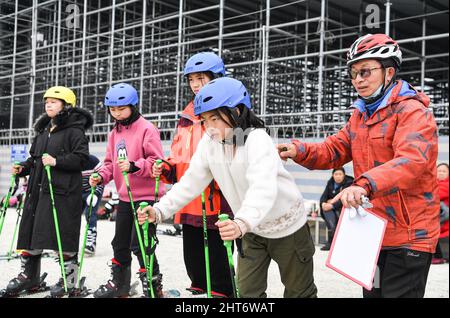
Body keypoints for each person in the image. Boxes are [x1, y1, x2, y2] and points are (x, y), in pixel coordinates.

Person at [278, 33, 440, 298]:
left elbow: (411, 161)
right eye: (353, 73)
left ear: (389, 72)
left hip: (409, 236)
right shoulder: (361, 115)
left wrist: (364, 184)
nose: (358, 80)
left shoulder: (412, 111)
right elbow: (333, 149)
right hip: (372, 234)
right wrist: (299, 150)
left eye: (365, 71)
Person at [139, 77, 317, 298]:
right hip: (250, 229)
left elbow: (262, 188)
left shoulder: (257, 139)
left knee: (299, 292)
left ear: (237, 111)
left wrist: (241, 222)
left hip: (286, 225)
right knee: (247, 294)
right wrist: (159, 210)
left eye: (215, 118)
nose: (209, 127)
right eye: (204, 120)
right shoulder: (210, 143)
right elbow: (190, 181)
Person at [152, 52, 234, 297]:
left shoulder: (228, 111)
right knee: (193, 251)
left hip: (216, 197)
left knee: (219, 253)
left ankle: (222, 291)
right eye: (191, 80)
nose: (196, 85)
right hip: (190, 199)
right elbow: (178, 154)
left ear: (216, 77)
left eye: (201, 78)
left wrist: (222, 178)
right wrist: (166, 168)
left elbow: (236, 152)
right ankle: (198, 286)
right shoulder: (188, 115)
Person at [2, 86, 91, 297]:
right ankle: (30, 276)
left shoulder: (75, 131)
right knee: (32, 232)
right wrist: (24, 167)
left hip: (62, 193)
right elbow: (35, 159)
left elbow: (81, 158)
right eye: (46, 102)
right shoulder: (43, 132)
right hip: (38, 191)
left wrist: (57, 161)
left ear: (66, 106)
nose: (48, 105)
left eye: (54, 101)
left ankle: (69, 279)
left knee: (62, 233)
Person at [89, 83, 166, 298]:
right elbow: (108, 163)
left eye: (121, 108)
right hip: (125, 197)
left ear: (133, 106)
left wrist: (134, 166)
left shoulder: (147, 128)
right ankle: (119, 285)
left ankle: (153, 287)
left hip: (146, 199)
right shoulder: (115, 133)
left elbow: (157, 162)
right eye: (113, 110)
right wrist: (100, 176)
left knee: (141, 244)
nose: (117, 113)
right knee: (119, 243)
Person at [319, 167, 353, 251]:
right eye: (336, 174)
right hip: (332, 209)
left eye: (340, 174)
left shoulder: (349, 183)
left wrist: (332, 204)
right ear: (332, 175)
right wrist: (323, 203)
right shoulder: (330, 182)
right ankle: (331, 242)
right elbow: (324, 196)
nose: (338, 176)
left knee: (331, 211)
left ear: (344, 175)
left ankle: (333, 243)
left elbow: (345, 199)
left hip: (344, 208)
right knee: (327, 211)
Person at [81, 154, 104, 255]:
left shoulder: (93, 161)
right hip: (76, 192)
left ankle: (91, 243)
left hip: (92, 190)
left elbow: (102, 178)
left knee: (90, 213)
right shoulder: (71, 160)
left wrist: (95, 193)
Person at [433, 163, 449, 264]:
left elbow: (435, 195)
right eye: (439, 171)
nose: (441, 173)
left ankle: (440, 257)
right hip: (438, 222)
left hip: (445, 223)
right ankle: (438, 257)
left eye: (444, 171)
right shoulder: (432, 184)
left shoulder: (446, 185)